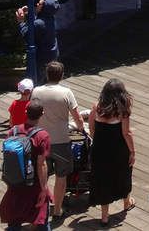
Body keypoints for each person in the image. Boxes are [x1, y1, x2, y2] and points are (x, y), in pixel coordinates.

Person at [30, 61, 85, 221]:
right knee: (62, 176)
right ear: (61, 75)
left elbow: (32, 114)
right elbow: (77, 117)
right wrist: (81, 127)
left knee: (42, 175)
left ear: (47, 74)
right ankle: (57, 210)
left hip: (41, 139)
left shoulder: (36, 91)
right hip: (61, 140)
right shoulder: (66, 93)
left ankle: (40, 206)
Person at [88, 78, 136, 223]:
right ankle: (126, 202)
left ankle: (104, 216)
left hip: (100, 149)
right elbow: (126, 133)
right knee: (124, 173)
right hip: (118, 150)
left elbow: (91, 129)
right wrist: (133, 151)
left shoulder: (96, 107)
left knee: (103, 179)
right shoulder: (122, 110)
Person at [0, 101, 51, 231]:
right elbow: (41, 165)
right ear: (42, 114)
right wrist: (44, 189)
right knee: (41, 221)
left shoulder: (13, 131)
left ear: (25, 113)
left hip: (15, 183)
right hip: (33, 185)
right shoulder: (42, 136)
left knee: (14, 221)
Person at [16, 0, 61, 80]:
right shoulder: (50, 18)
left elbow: (27, 34)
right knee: (50, 79)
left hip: (42, 57)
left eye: (39, 4)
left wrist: (21, 21)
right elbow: (38, 20)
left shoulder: (40, 23)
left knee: (40, 80)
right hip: (52, 54)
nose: (37, 4)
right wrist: (31, 12)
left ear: (44, 8)